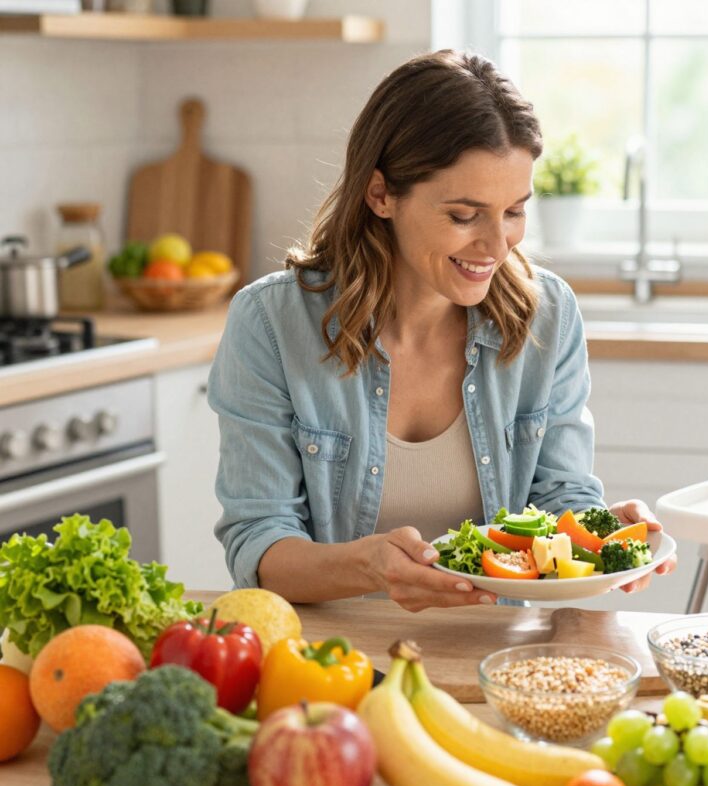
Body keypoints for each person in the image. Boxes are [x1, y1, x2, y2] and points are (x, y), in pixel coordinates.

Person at [207, 50, 674, 612]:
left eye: (514, 211)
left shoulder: (546, 314)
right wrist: (368, 568)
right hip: (328, 663)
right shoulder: (273, 325)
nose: (498, 246)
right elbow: (259, 545)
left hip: (493, 650)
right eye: (463, 215)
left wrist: (599, 533)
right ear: (381, 194)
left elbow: (557, 497)